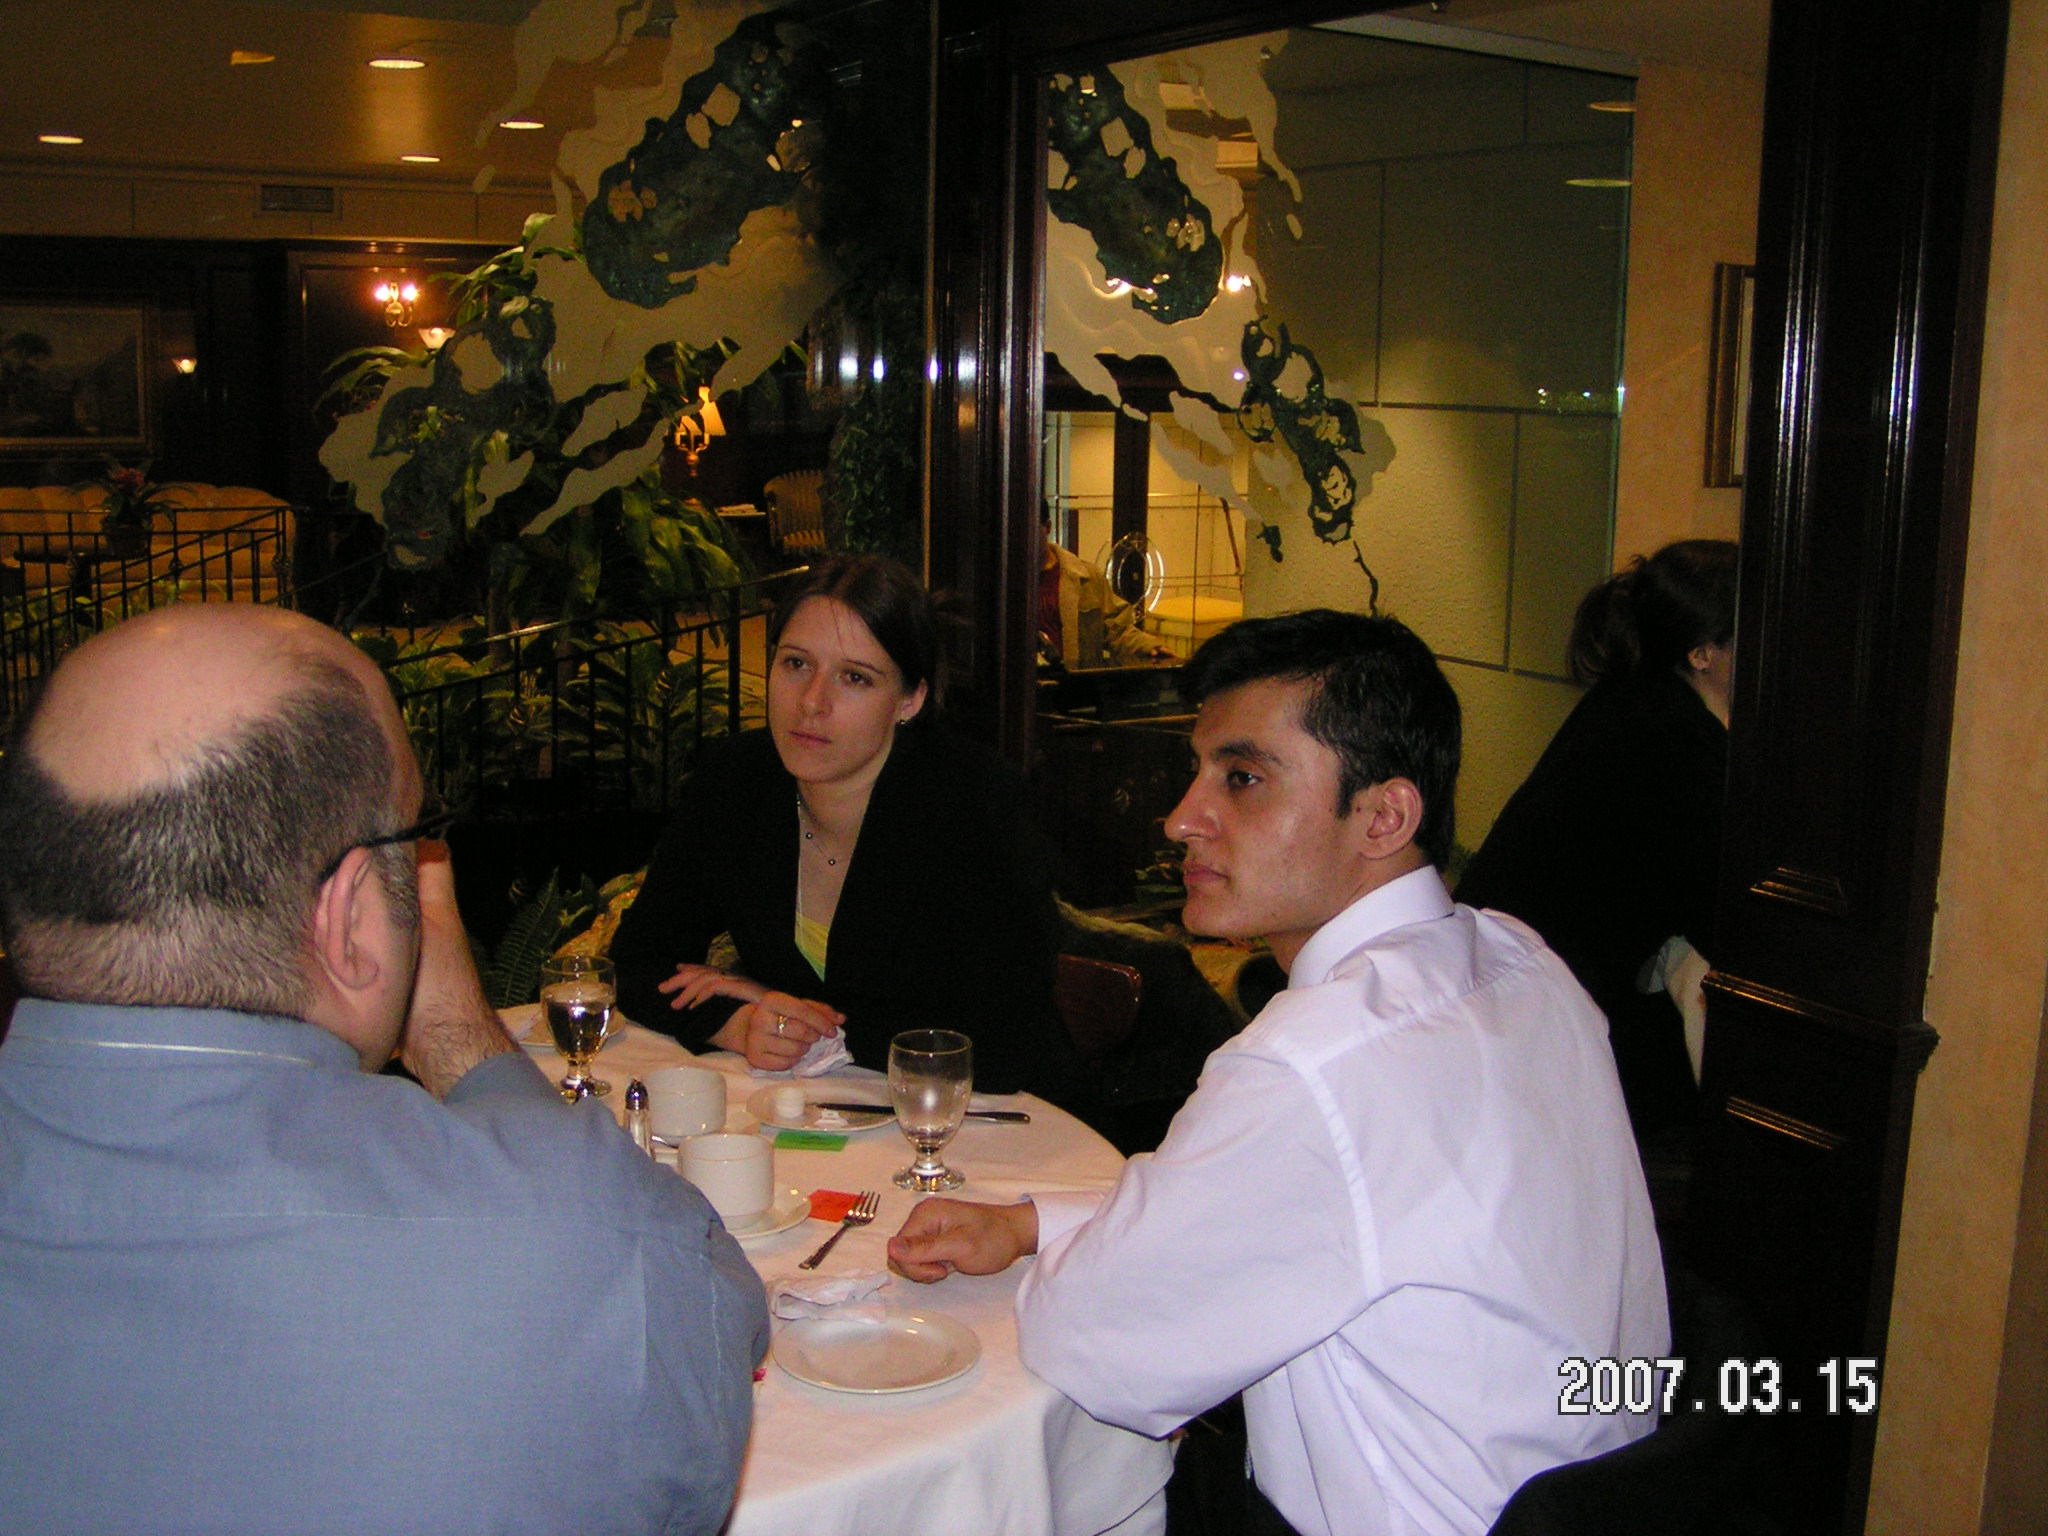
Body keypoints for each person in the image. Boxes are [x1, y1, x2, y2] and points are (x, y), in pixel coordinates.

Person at [886, 610, 1667, 1536]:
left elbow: (1092, 1342)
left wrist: (1070, 1252)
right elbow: (1300, 1204)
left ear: (1384, 816)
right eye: (1198, 771)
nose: (1181, 819)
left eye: (1243, 778)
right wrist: (1035, 1222)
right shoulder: (1519, 959)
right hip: (1610, 1493)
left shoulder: (1314, 1063)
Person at [0, 605, 766, 1536]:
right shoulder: (579, 1243)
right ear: (349, 916)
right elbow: (710, 1317)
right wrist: (458, 1039)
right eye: (415, 836)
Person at [613, 553, 1079, 1102]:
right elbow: (636, 964)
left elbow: (1003, 1045)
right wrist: (737, 1022)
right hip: (823, 1112)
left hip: (993, 1123)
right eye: (796, 664)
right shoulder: (737, 781)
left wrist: (788, 1012)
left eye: (855, 678)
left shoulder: (976, 805)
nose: (812, 702)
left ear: (910, 700)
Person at [1455, 539, 1737, 1141]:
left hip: (1493, 970)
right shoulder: (1676, 741)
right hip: (1529, 1003)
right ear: (1703, 653)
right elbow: (1722, 912)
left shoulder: (1634, 700)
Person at [1038, 504, 1173, 669]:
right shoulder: (1009, 579)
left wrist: (1148, 646)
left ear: (1048, 527)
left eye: (1031, 529)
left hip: (1073, 681)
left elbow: (1116, 629)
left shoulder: (1086, 578)